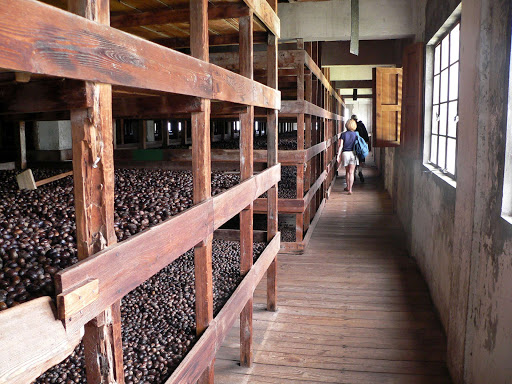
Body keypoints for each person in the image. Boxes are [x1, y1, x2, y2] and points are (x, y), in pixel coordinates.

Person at [339, 119, 359, 195]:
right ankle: (350, 189)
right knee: (351, 172)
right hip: (353, 154)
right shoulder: (356, 134)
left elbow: (341, 146)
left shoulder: (343, 134)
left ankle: (347, 187)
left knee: (347, 171)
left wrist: (338, 156)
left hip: (345, 153)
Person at [351, 114, 369, 182]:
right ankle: (360, 171)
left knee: (354, 160)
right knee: (361, 159)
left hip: (353, 146)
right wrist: (366, 143)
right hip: (361, 146)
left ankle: (354, 174)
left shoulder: (351, 127)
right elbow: (366, 134)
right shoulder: (361, 125)